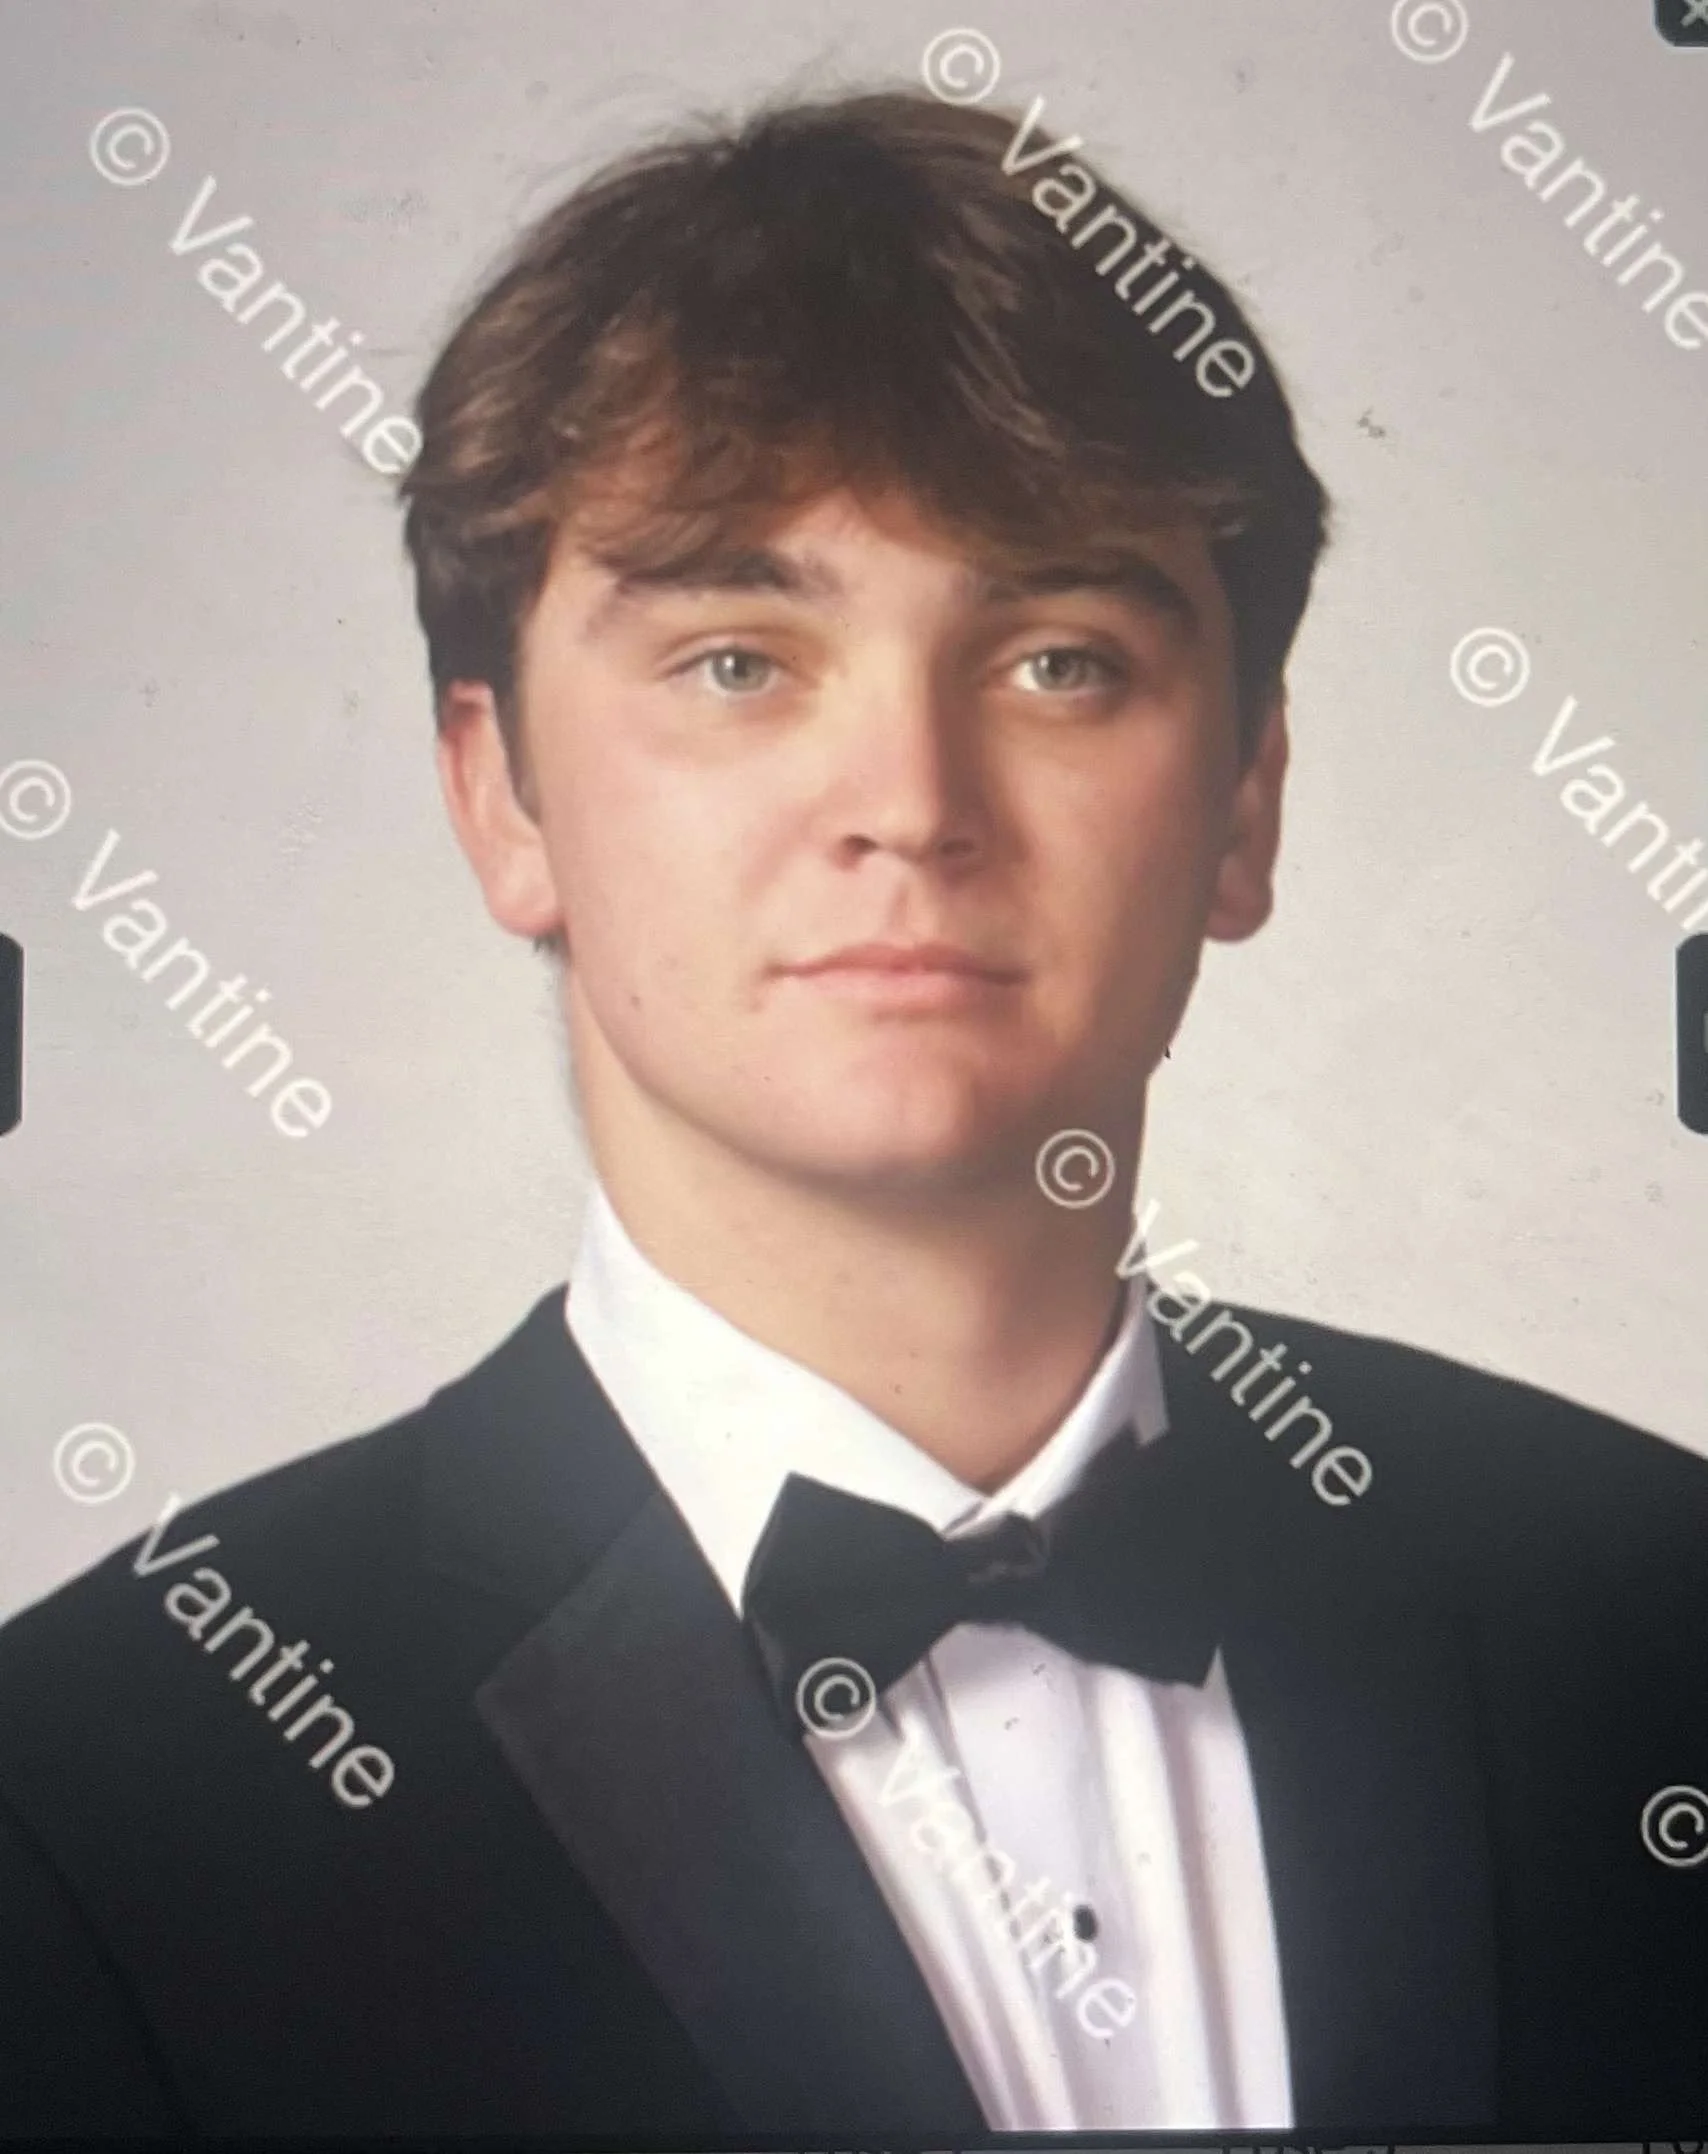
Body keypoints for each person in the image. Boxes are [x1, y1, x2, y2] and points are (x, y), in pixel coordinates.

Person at [3, 87, 1707, 2143]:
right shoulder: (93, 1801)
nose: (908, 800)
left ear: (1243, 803)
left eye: (1058, 659)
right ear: (499, 796)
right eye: (737, 661)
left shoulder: (1650, 1608)